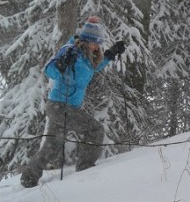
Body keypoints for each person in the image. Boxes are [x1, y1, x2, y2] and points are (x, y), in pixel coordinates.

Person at [21, 16, 126, 188]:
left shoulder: (87, 56)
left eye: (99, 43)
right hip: (60, 105)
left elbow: (92, 68)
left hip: (64, 106)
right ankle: (85, 169)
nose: (97, 46)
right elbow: (50, 70)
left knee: (53, 146)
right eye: (96, 42)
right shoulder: (70, 50)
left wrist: (111, 53)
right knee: (94, 130)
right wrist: (61, 64)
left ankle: (28, 177)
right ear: (87, 40)